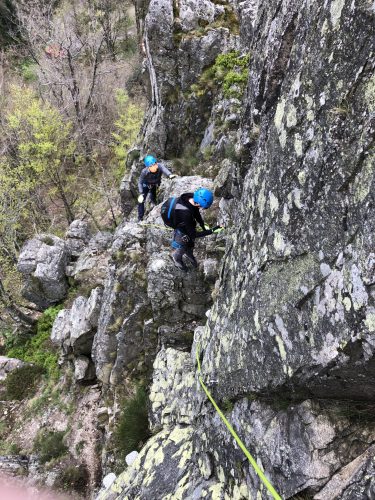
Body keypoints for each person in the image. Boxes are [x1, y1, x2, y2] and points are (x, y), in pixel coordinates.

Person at [166, 188, 223, 271]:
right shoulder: (185, 213)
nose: (202, 208)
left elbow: (196, 212)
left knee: (190, 243)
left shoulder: (192, 198)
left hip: (186, 222)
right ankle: (176, 258)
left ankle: (189, 253)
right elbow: (194, 234)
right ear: (197, 204)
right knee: (183, 243)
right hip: (181, 226)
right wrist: (212, 230)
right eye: (203, 207)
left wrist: (202, 225)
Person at [138, 155, 176, 221]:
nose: (154, 166)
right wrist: (141, 193)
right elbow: (140, 182)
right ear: (148, 167)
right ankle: (140, 217)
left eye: (154, 164)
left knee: (153, 195)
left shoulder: (160, 165)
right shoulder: (144, 171)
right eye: (151, 166)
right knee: (141, 201)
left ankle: (154, 203)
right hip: (145, 185)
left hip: (154, 184)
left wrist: (170, 174)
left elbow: (165, 170)